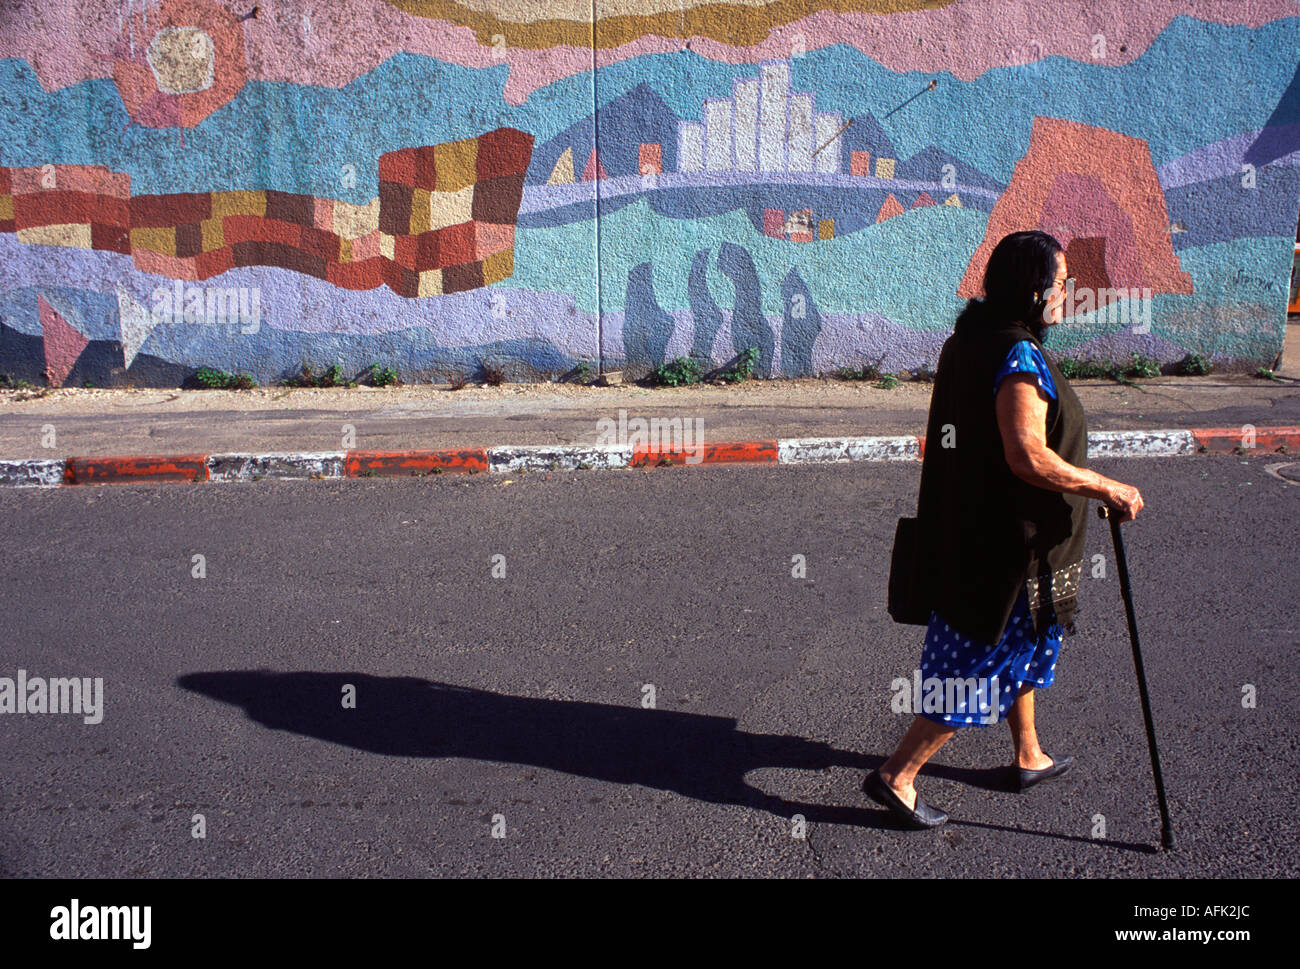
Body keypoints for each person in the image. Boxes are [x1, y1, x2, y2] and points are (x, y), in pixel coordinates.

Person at [864, 230, 1144, 829]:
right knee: (976, 667)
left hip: (975, 536)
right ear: (1034, 291)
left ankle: (1028, 753)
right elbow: (1028, 457)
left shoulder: (966, 341)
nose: (1069, 293)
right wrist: (1106, 486)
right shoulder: (1016, 356)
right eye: (1062, 283)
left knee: (1023, 644)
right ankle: (899, 776)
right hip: (1008, 551)